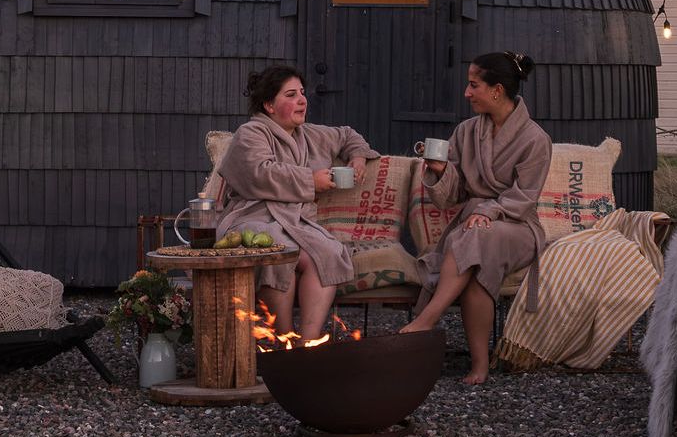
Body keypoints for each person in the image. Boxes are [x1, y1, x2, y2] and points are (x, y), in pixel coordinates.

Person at [400, 51, 553, 384]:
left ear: (496, 90)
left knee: (474, 237)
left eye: (473, 85)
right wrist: (441, 171)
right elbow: (453, 194)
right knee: (477, 263)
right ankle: (480, 366)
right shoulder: (467, 131)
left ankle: (426, 320)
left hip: (517, 227)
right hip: (476, 227)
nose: (467, 93)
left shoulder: (535, 140)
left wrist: (488, 211)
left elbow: (523, 198)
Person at [215, 64, 378, 339]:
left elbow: (349, 135)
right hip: (253, 218)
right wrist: (309, 181)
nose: (302, 100)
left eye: (302, 93)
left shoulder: (311, 135)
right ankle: (283, 337)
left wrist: (358, 156)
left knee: (326, 253)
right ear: (269, 105)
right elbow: (259, 173)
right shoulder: (251, 133)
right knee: (282, 253)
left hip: (296, 221)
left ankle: (307, 343)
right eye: (290, 95)